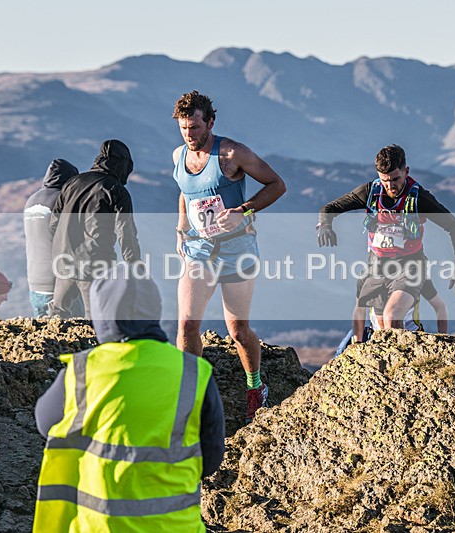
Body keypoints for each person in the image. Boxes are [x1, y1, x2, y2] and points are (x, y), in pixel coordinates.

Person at [33, 266, 225, 532]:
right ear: (154, 310)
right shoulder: (193, 372)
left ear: (101, 315)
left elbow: (45, 424)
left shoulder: (83, 371)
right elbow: (211, 459)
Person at [171, 90, 286, 423]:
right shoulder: (178, 154)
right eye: (184, 128)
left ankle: (255, 389)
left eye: (195, 127)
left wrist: (243, 210)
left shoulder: (232, 153)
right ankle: (191, 400)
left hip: (237, 249)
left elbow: (277, 184)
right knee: (187, 326)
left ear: (210, 122)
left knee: (237, 330)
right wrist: (181, 228)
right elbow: (185, 191)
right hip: (199, 251)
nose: (190, 135)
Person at [318, 144, 455, 344]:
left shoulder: (419, 198)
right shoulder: (370, 192)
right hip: (377, 267)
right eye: (385, 180)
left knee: (392, 317)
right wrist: (325, 224)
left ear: (406, 171)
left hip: (411, 265)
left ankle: (405, 370)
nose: (391, 186)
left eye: (396, 179)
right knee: (380, 329)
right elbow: (330, 207)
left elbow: (453, 226)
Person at [48, 140, 141, 319]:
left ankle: (56, 346)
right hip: (94, 265)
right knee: (98, 321)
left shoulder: (72, 182)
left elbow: (54, 222)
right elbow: (126, 233)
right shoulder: (116, 190)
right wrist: (134, 264)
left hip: (63, 262)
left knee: (57, 317)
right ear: (123, 164)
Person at [23, 158, 84, 318]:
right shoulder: (64, 200)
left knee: (46, 338)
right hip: (59, 284)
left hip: (35, 282)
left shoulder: (31, 201)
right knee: (76, 338)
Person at [334, 279, 448, 358]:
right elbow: (359, 311)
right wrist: (357, 343)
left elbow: (440, 306)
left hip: (409, 337)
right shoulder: (367, 278)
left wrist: (443, 340)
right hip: (374, 336)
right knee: (348, 340)